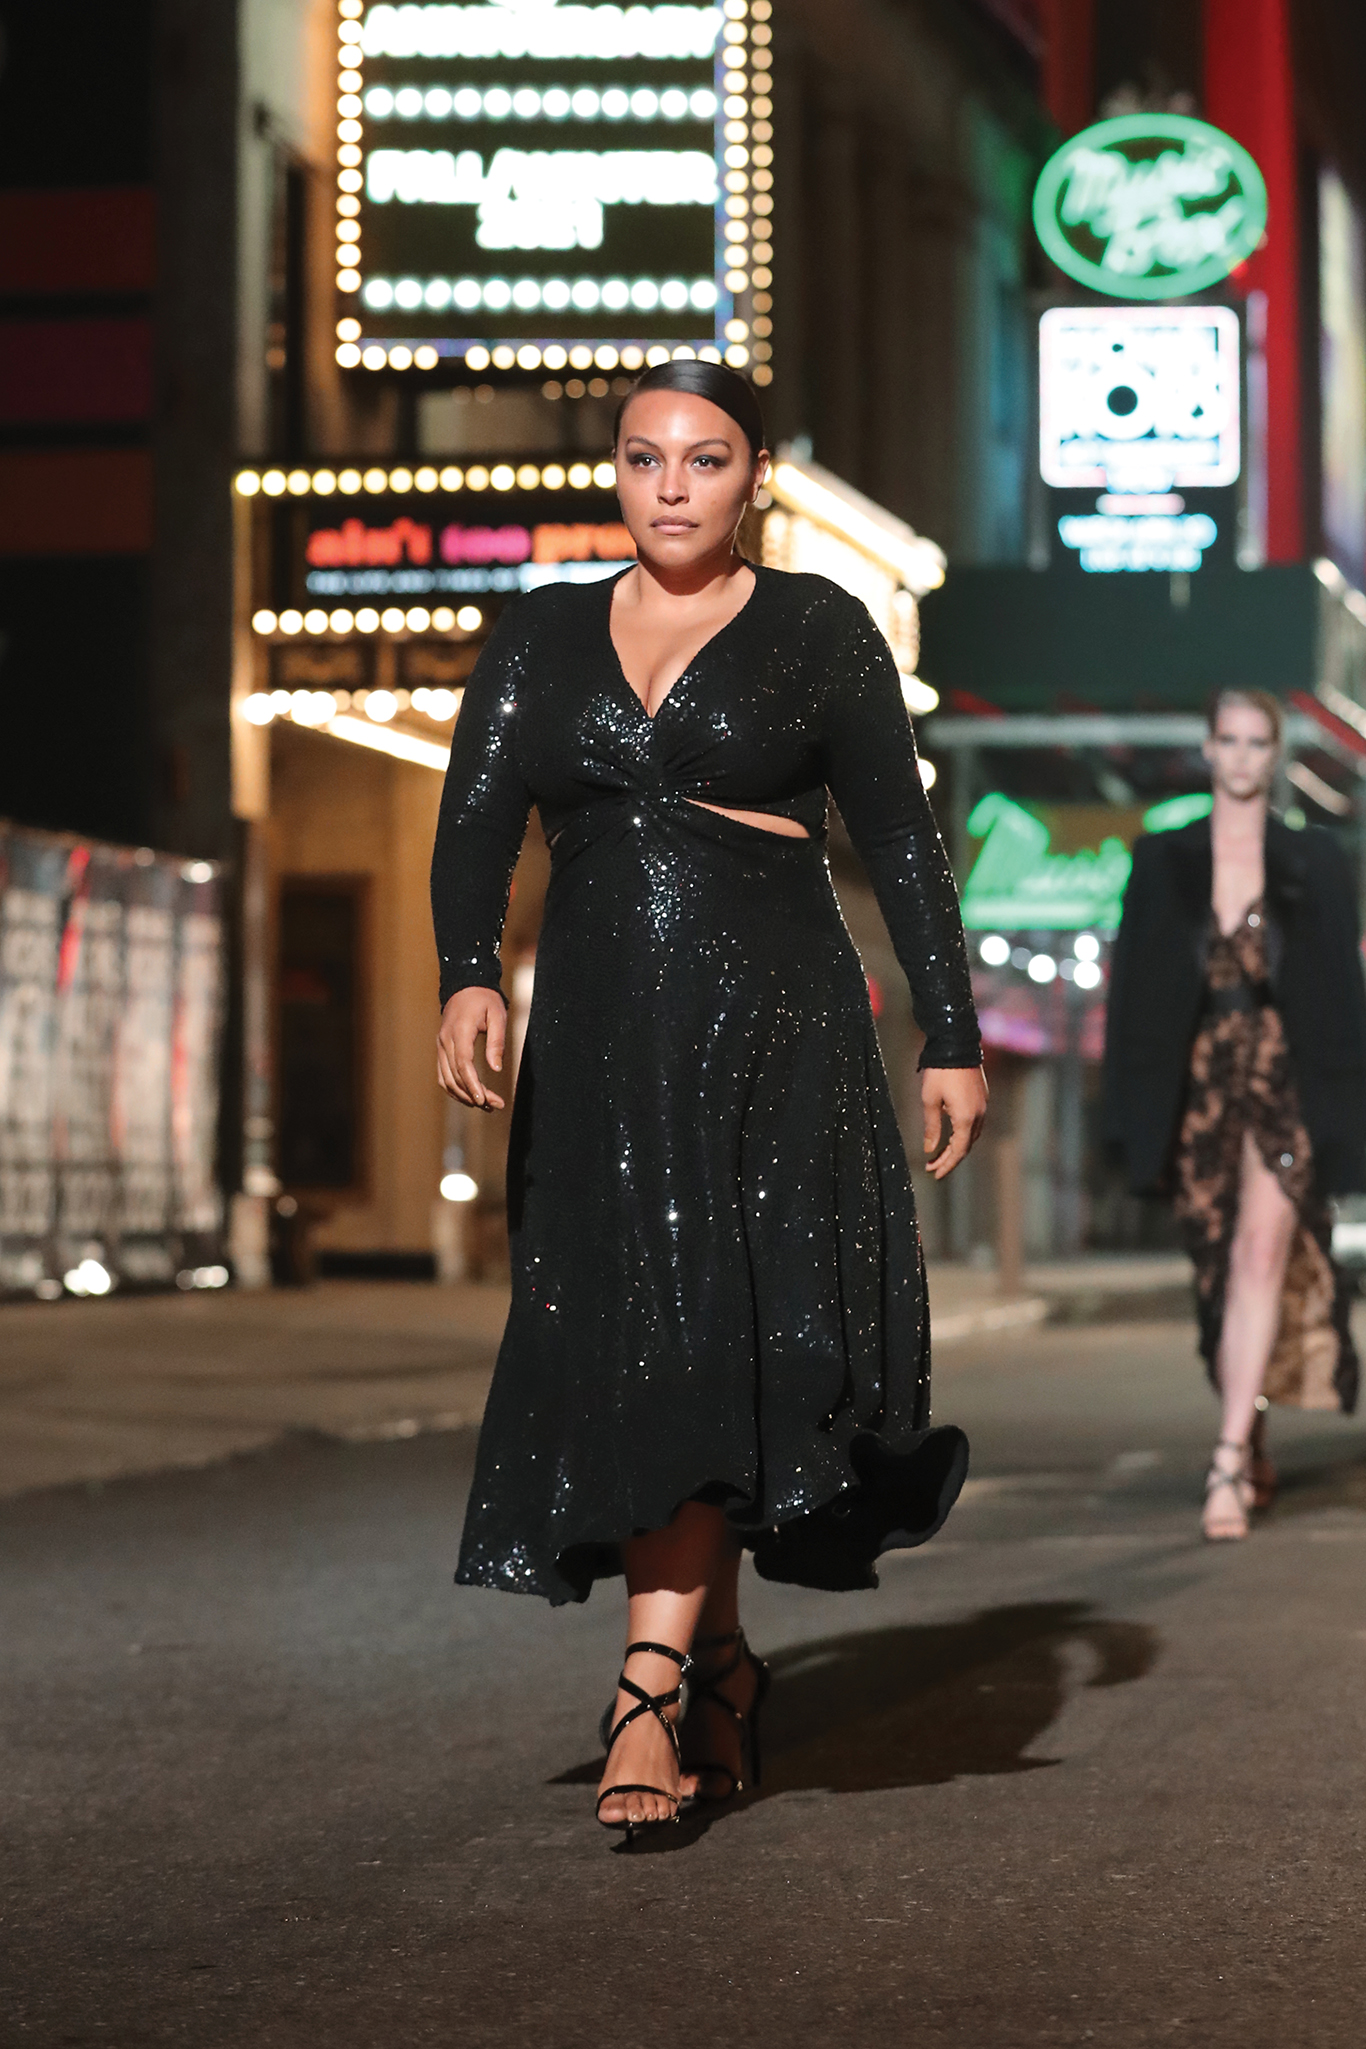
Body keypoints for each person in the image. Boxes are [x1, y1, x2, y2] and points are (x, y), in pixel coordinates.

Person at [431, 359, 987, 1840]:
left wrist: (951, 1032)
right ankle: (724, 1663)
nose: (670, 485)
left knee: (719, 1337)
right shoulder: (540, 633)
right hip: (600, 1047)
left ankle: (648, 1689)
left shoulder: (819, 627)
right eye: (643, 457)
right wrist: (467, 971)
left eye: (705, 458)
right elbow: (475, 818)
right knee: (654, 1348)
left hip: (773, 1037)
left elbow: (901, 839)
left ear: (754, 478)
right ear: (615, 472)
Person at [1104, 689, 1366, 1541]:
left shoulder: (1315, 857)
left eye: (1259, 741)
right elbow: (1133, 989)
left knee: (1260, 1252)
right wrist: (1127, 1107)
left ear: (1274, 755)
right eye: (1231, 739)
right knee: (1216, 1270)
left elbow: (1341, 988)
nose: (1244, 754)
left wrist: (1347, 1107)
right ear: (1209, 748)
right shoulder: (1162, 857)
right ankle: (1247, 1429)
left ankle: (1223, 1461)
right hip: (1196, 1079)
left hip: (1286, 1072)